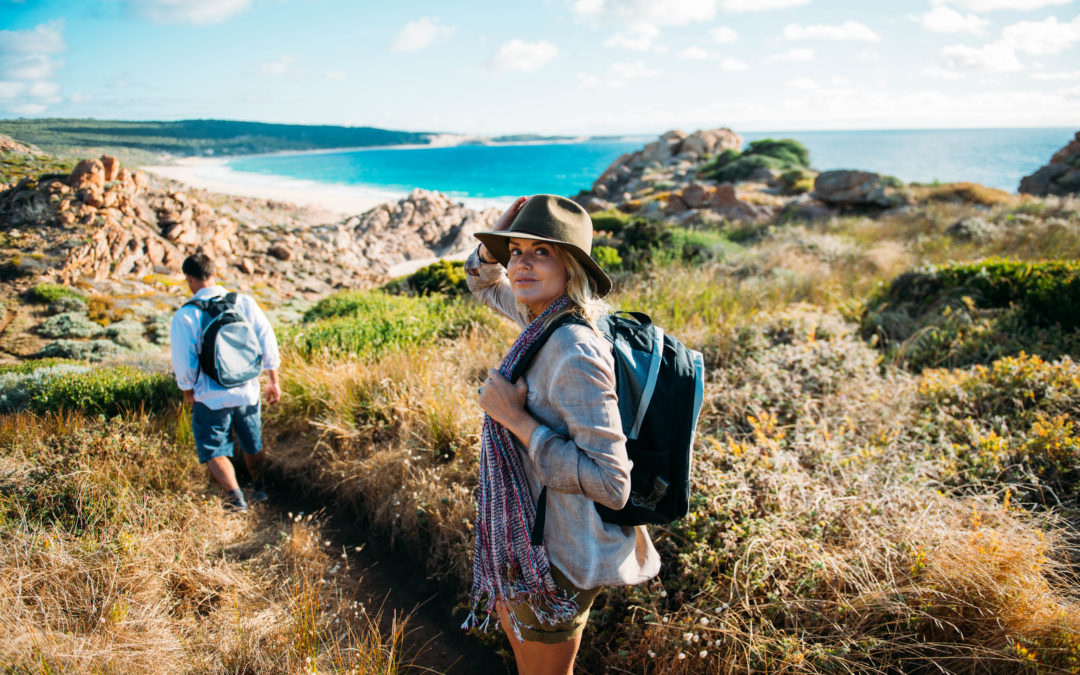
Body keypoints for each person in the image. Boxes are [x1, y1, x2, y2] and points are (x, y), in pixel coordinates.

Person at [464, 195, 659, 675]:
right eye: (517, 252)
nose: (520, 264)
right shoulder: (543, 318)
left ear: (571, 267)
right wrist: (495, 245)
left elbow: (613, 485)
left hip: (560, 556)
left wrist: (517, 419)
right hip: (531, 538)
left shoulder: (573, 346)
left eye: (541, 252)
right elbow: (482, 283)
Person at [170, 251, 281, 512]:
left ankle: (236, 498)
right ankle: (259, 487)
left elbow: (184, 363)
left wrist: (187, 390)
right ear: (215, 273)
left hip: (210, 396)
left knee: (214, 448)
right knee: (252, 443)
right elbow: (267, 341)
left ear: (189, 278)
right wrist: (273, 380)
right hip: (247, 390)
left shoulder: (186, 315)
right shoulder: (243, 303)